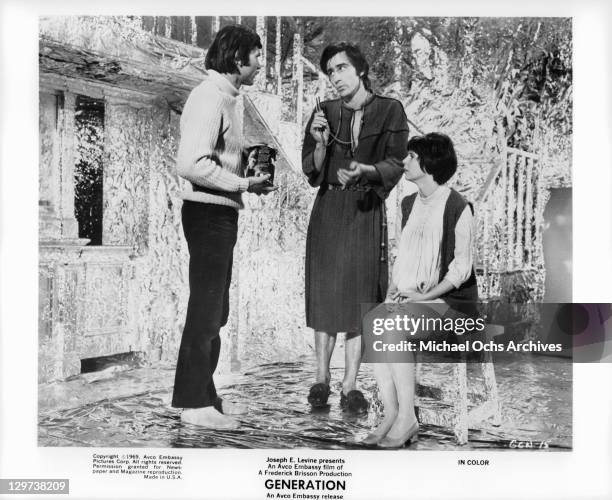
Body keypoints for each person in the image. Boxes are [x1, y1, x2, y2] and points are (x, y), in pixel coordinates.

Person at [172, 25, 275, 429]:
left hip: (222, 212)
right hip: (207, 213)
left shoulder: (233, 98)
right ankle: (193, 405)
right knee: (205, 308)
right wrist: (244, 183)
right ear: (237, 58)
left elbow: (217, 154)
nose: (261, 62)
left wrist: (247, 162)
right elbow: (191, 164)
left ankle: (205, 396)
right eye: (257, 54)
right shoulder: (209, 96)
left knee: (216, 310)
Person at [302, 43, 409, 412]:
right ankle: (321, 379)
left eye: (342, 68)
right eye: (330, 71)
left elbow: (398, 161)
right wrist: (319, 144)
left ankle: (349, 385)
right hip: (329, 207)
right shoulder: (323, 112)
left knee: (361, 297)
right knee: (326, 294)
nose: (336, 77)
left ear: (360, 69)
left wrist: (369, 171)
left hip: (366, 208)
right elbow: (312, 173)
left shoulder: (390, 109)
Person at [363, 132, 478, 447]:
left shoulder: (458, 206)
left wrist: (425, 296)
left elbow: (460, 269)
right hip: (416, 299)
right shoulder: (408, 203)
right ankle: (392, 413)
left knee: (393, 327)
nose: (405, 161)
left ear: (428, 164)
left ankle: (407, 419)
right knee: (373, 322)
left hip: (451, 305)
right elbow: (406, 256)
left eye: (412, 156)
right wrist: (398, 292)